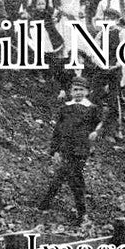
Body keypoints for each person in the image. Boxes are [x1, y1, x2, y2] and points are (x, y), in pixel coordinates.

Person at [39, 77, 104, 223]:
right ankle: (81, 213)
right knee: (70, 177)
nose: (78, 92)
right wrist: (54, 150)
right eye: (75, 89)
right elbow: (58, 130)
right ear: (71, 91)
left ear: (87, 91)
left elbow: (100, 124)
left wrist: (96, 133)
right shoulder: (65, 108)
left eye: (81, 89)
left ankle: (45, 206)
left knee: (70, 176)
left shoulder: (92, 109)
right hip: (65, 148)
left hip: (81, 149)